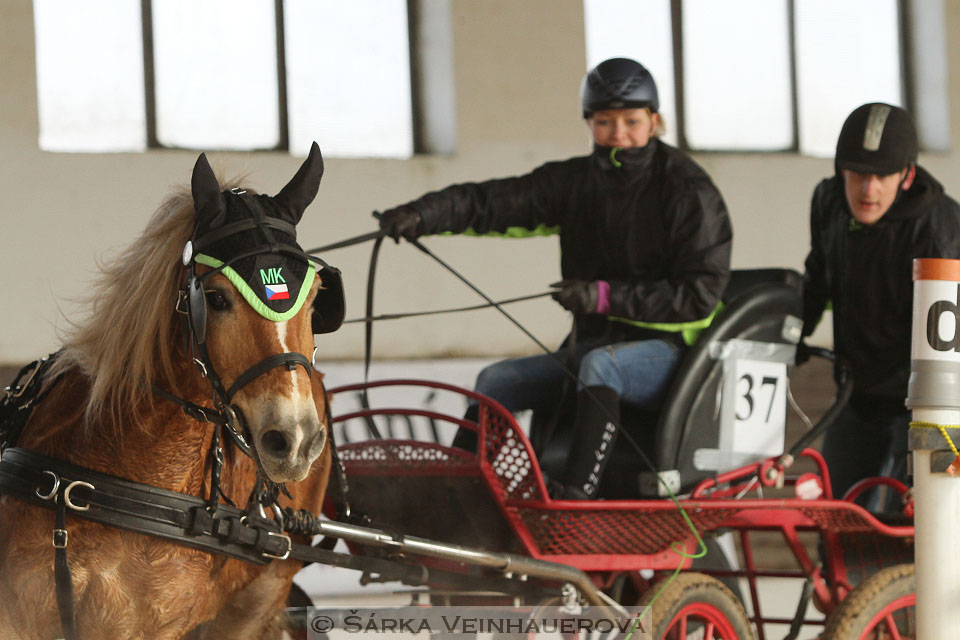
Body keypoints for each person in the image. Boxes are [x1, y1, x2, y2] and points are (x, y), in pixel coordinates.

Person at [379, 58, 732, 499]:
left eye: (631, 120)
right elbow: (495, 202)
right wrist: (422, 214)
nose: (618, 133)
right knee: (497, 381)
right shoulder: (575, 183)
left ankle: (576, 495)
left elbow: (700, 296)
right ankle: (459, 491)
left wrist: (603, 297)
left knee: (601, 364)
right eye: (605, 121)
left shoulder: (688, 191)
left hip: (676, 354)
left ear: (655, 121)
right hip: (597, 346)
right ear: (589, 122)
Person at [800, 102, 960, 504]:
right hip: (857, 394)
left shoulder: (942, 230)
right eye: (857, 175)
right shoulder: (828, 202)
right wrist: (788, 335)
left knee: (918, 519)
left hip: (930, 403)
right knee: (837, 518)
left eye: (882, 176)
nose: (867, 191)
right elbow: (817, 275)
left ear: (906, 175)